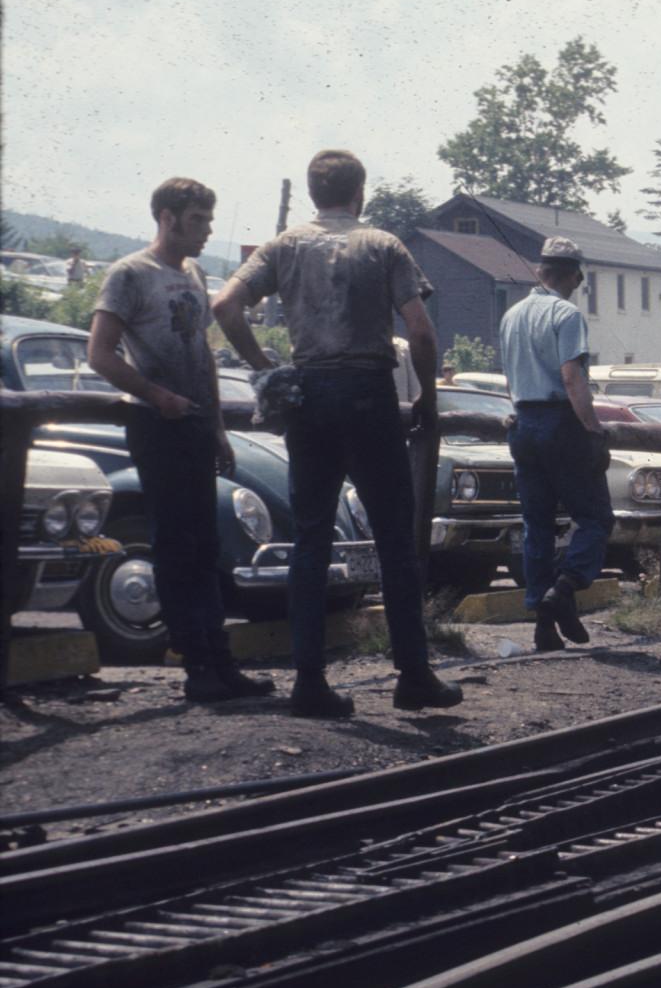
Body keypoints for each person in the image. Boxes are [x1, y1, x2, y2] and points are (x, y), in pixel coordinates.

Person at [211, 149, 461, 718]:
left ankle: (309, 682)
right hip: (369, 395)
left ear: (312, 192)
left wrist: (264, 367)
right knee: (395, 539)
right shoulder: (382, 246)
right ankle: (413, 674)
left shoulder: (284, 246)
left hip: (311, 396)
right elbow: (420, 333)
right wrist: (427, 393)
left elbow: (225, 305)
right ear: (360, 193)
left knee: (311, 538)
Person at [86, 178, 274, 703]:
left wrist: (215, 425)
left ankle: (221, 662)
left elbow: (202, 353)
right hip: (157, 425)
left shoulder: (192, 273)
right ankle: (197, 669)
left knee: (206, 546)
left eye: (209, 220)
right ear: (167, 218)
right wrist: (154, 395)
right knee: (175, 547)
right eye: (198, 220)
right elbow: (100, 353)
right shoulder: (129, 274)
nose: (207, 230)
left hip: (194, 425)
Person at [498, 236, 612, 652]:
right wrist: (594, 430)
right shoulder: (566, 315)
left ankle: (542, 624)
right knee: (596, 517)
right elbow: (572, 378)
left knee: (537, 526)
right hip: (560, 423)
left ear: (541, 271)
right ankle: (564, 588)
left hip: (523, 422)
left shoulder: (511, 316)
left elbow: (512, 376)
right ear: (572, 275)